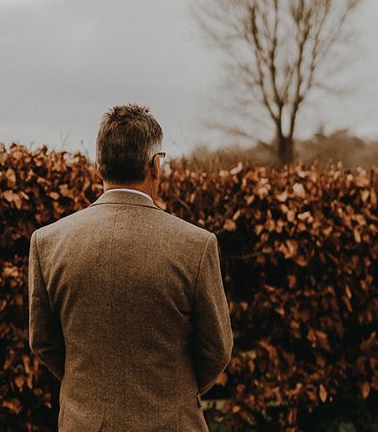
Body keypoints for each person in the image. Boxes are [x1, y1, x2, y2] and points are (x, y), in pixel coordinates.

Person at [28, 104, 233, 431]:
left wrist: (90, 391)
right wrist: (173, 394)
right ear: (155, 166)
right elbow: (216, 350)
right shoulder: (196, 245)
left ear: (98, 168)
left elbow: (43, 342)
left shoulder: (48, 242)